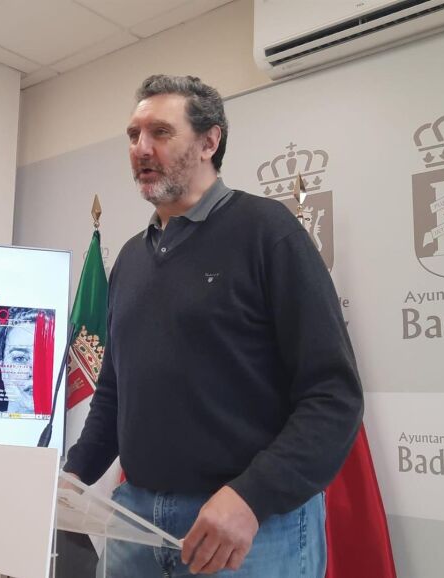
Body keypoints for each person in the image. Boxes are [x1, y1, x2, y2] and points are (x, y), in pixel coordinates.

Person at [63, 75, 364, 578]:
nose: (141, 148)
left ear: (209, 142)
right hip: (135, 520)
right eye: (134, 135)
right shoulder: (131, 260)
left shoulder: (268, 233)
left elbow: (333, 396)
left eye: (160, 132)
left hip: (250, 528)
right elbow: (115, 393)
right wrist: (74, 475)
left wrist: (251, 498)